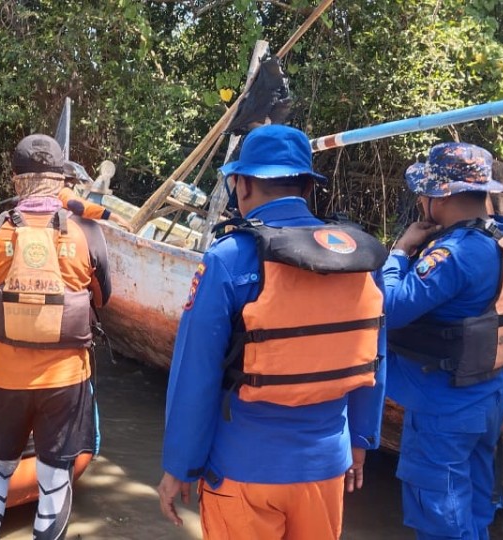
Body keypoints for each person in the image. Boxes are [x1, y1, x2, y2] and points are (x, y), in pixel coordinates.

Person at [157, 124, 387, 540]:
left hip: (244, 468)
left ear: (243, 184)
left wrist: (180, 465)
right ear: (308, 187)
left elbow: (195, 372)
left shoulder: (228, 257)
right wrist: (361, 441)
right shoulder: (357, 257)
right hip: (325, 467)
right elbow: (373, 359)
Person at [0, 133, 111, 540]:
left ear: (15, 180)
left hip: (5, 378)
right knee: (55, 473)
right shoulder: (88, 231)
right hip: (65, 380)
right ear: (61, 180)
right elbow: (103, 298)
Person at [383, 143, 503, 540]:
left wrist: (400, 252)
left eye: (424, 192)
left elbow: (387, 308)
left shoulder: (455, 254)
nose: (420, 200)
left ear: (441, 196)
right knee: (476, 511)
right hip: (488, 398)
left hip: (445, 409)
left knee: (442, 522)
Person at [59, 161, 131, 227]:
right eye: (71, 181)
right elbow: (82, 207)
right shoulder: (63, 192)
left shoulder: (56, 191)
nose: (71, 185)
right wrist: (115, 217)